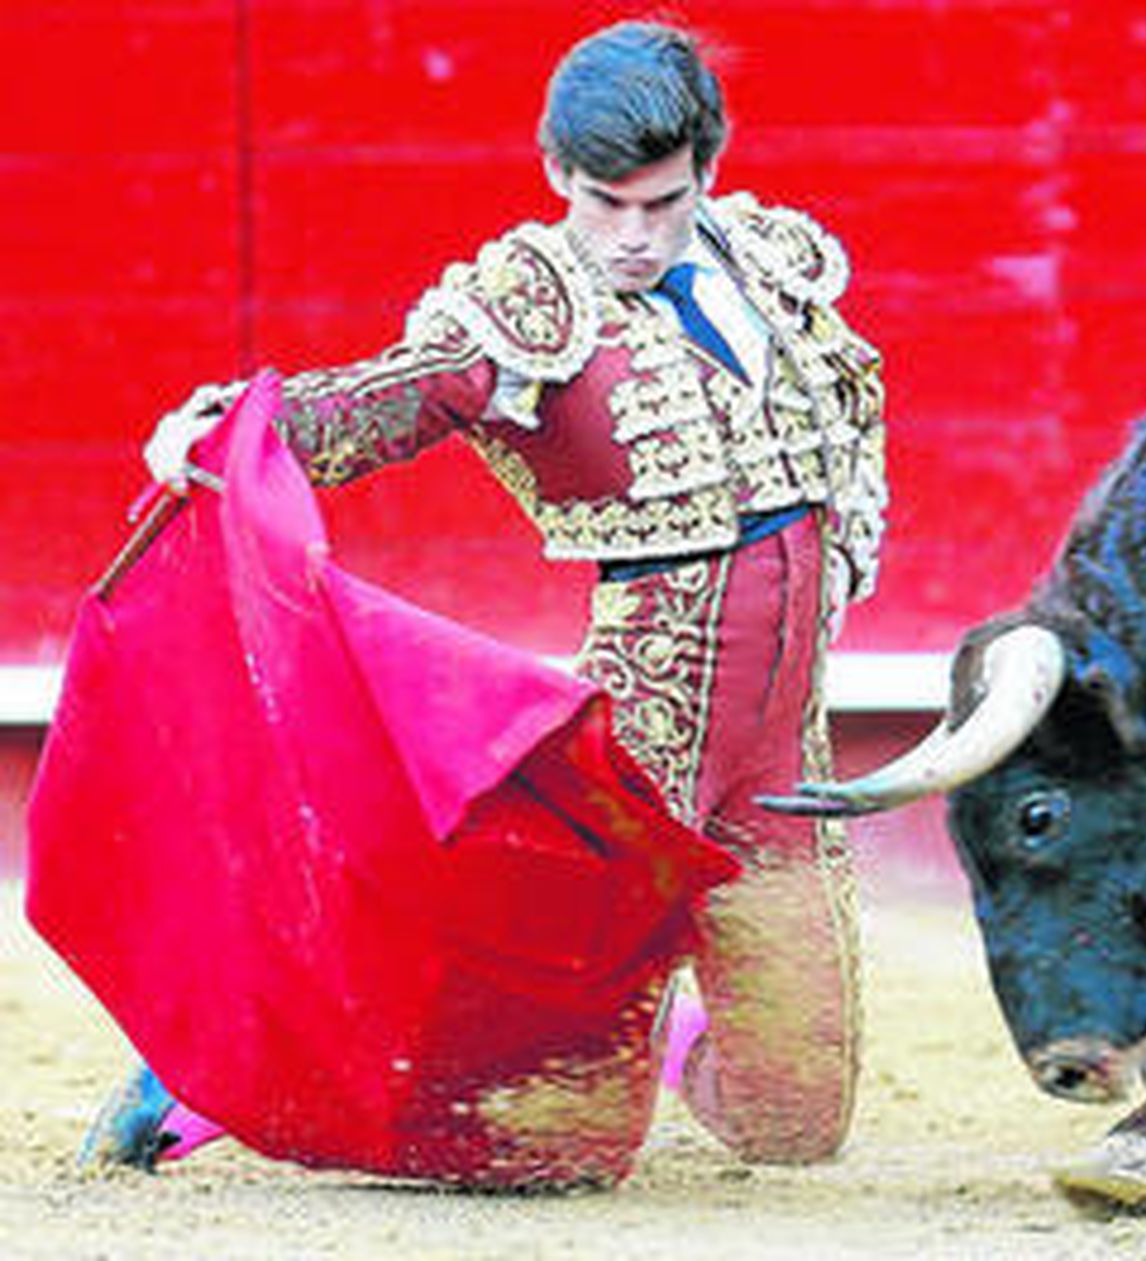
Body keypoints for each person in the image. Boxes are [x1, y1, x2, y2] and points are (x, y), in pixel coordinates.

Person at [80, 19, 886, 1184]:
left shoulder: (773, 262)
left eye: (660, 204)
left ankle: (677, 1033)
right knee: (522, 1109)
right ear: (559, 173)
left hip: (783, 764)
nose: (630, 235)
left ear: (708, 171)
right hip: (643, 745)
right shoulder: (529, 301)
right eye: (604, 203)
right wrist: (226, 429)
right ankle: (210, 1084)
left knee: (794, 1126)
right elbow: (388, 401)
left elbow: (852, 416)